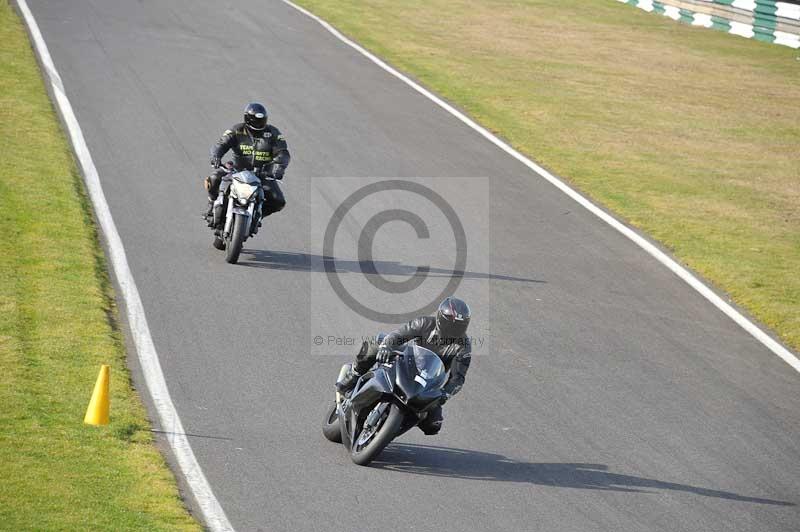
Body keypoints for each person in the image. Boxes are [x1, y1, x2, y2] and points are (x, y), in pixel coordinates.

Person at [337, 297, 472, 435]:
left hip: (429, 382)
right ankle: (354, 373)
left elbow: (458, 378)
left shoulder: (463, 347)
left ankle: (391, 430)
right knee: (377, 343)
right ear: (440, 320)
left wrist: (445, 393)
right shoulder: (424, 323)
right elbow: (398, 335)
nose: (454, 330)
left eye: (460, 326)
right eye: (451, 324)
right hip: (408, 363)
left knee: (433, 425)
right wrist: (387, 346)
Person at [204, 102, 290, 227]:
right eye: (256, 120)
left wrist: (279, 168)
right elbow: (221, 144)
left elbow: (283, 153)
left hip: (262, 175)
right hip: (236, 171)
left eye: (262, 120)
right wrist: (216, 156)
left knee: (278, 201)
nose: (259, 123)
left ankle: (257, 215)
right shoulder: (236, 130)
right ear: (248, 119)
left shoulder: (273, 133)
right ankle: (211, 204)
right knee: (213, 179)